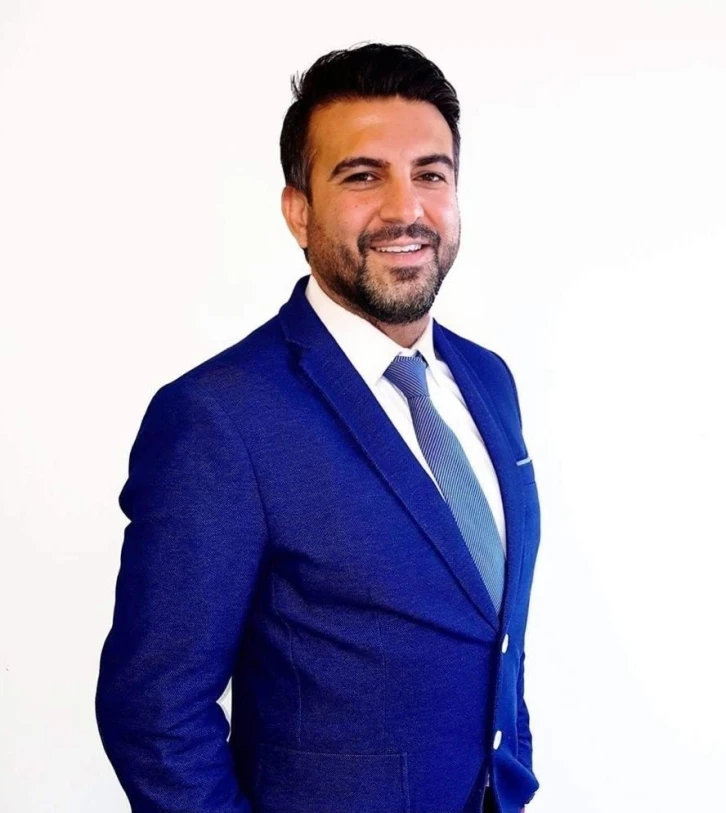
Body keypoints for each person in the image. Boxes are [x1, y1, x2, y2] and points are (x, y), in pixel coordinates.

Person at [96, 43, 541, 813]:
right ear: (298, 210)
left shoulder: (488, 380)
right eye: (363, 176)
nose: (406, 209)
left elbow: (493, 631)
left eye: (431, 174)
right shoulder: (220, 418)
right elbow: (153, 713)